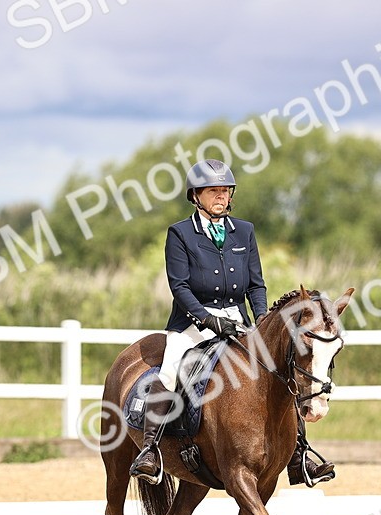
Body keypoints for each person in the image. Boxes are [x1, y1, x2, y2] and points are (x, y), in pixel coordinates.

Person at [129, 158, 336, 486]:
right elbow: (179, 287)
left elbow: (256, 283)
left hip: (238, 321)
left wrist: (263, 322)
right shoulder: (180, 234)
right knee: (170, 370)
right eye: (214, 191)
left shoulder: (245, 231)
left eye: (225, 191)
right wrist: (208, 320)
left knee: (282, 371)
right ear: (196, 196)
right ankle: (151, 451)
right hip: (192, 323)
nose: (221, 197)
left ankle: (300, 456)